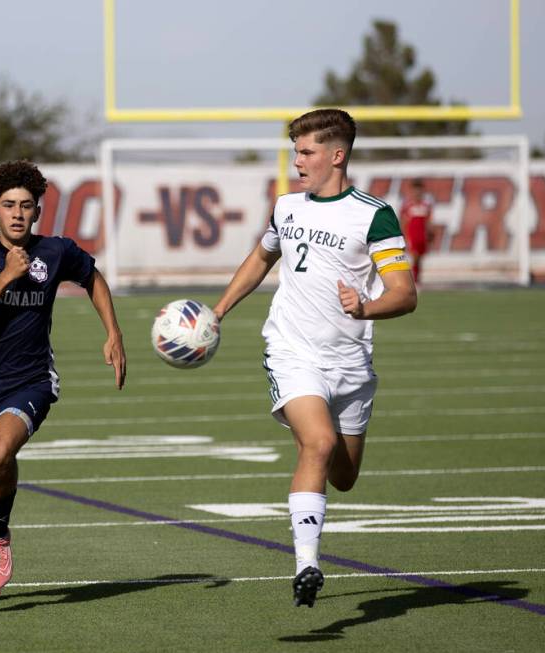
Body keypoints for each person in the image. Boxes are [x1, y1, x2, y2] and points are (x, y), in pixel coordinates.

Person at [212, 109, 417, 608]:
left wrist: (365, 307)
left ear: (337, 155)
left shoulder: (373, 215)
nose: (297, 162)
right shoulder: (287, 207)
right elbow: (262, 257)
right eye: (295, 152)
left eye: (306, 153)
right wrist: (216, 312)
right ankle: (307, 564)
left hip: (350, 363)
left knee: (343, 477)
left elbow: (405, 294)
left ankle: (312, 524)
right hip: (292, 351)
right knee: (318, 443)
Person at [0, 160, 126, 603]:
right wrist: (6, 275)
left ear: (37, 212)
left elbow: (93, 277)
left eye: (26, 205)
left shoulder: (56, 251)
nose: (17, 213)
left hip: (30, 382)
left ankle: (0, 537)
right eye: (8, 205)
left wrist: (113, 332)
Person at [400, 178, 433, 286]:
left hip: (422, 236)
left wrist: (430, 233)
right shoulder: (408, 205)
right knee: (414, 257)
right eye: (415, 190)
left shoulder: (426, 205)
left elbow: (429, 221)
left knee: (419, 259)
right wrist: (403, 236)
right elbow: (403, 221)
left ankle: (417, 278)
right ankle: (413, 280)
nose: (417, 192)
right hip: (412, 235)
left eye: (419, 190)